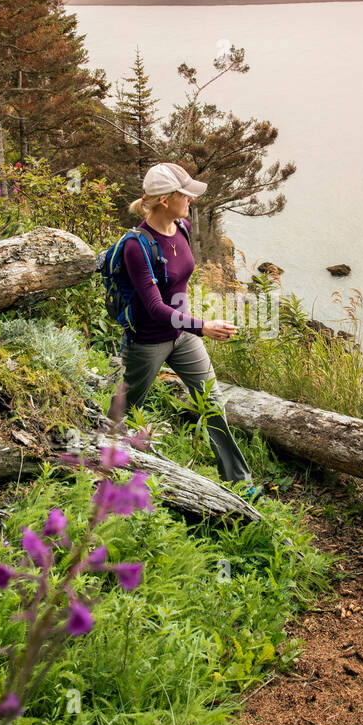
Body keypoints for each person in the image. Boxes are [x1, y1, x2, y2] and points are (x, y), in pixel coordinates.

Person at [106, 162, 260, 495]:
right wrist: (203, 326)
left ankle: (240, 485)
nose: (191, 198)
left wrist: (192, 327)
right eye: (185, 194)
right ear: (165, 199)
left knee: (212, 403)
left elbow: (179, 286)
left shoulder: (183, 227)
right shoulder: (137, 246)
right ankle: (104, 462)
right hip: (147, 342)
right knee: (125, 409)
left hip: (184, 336)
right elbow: (154, 308)